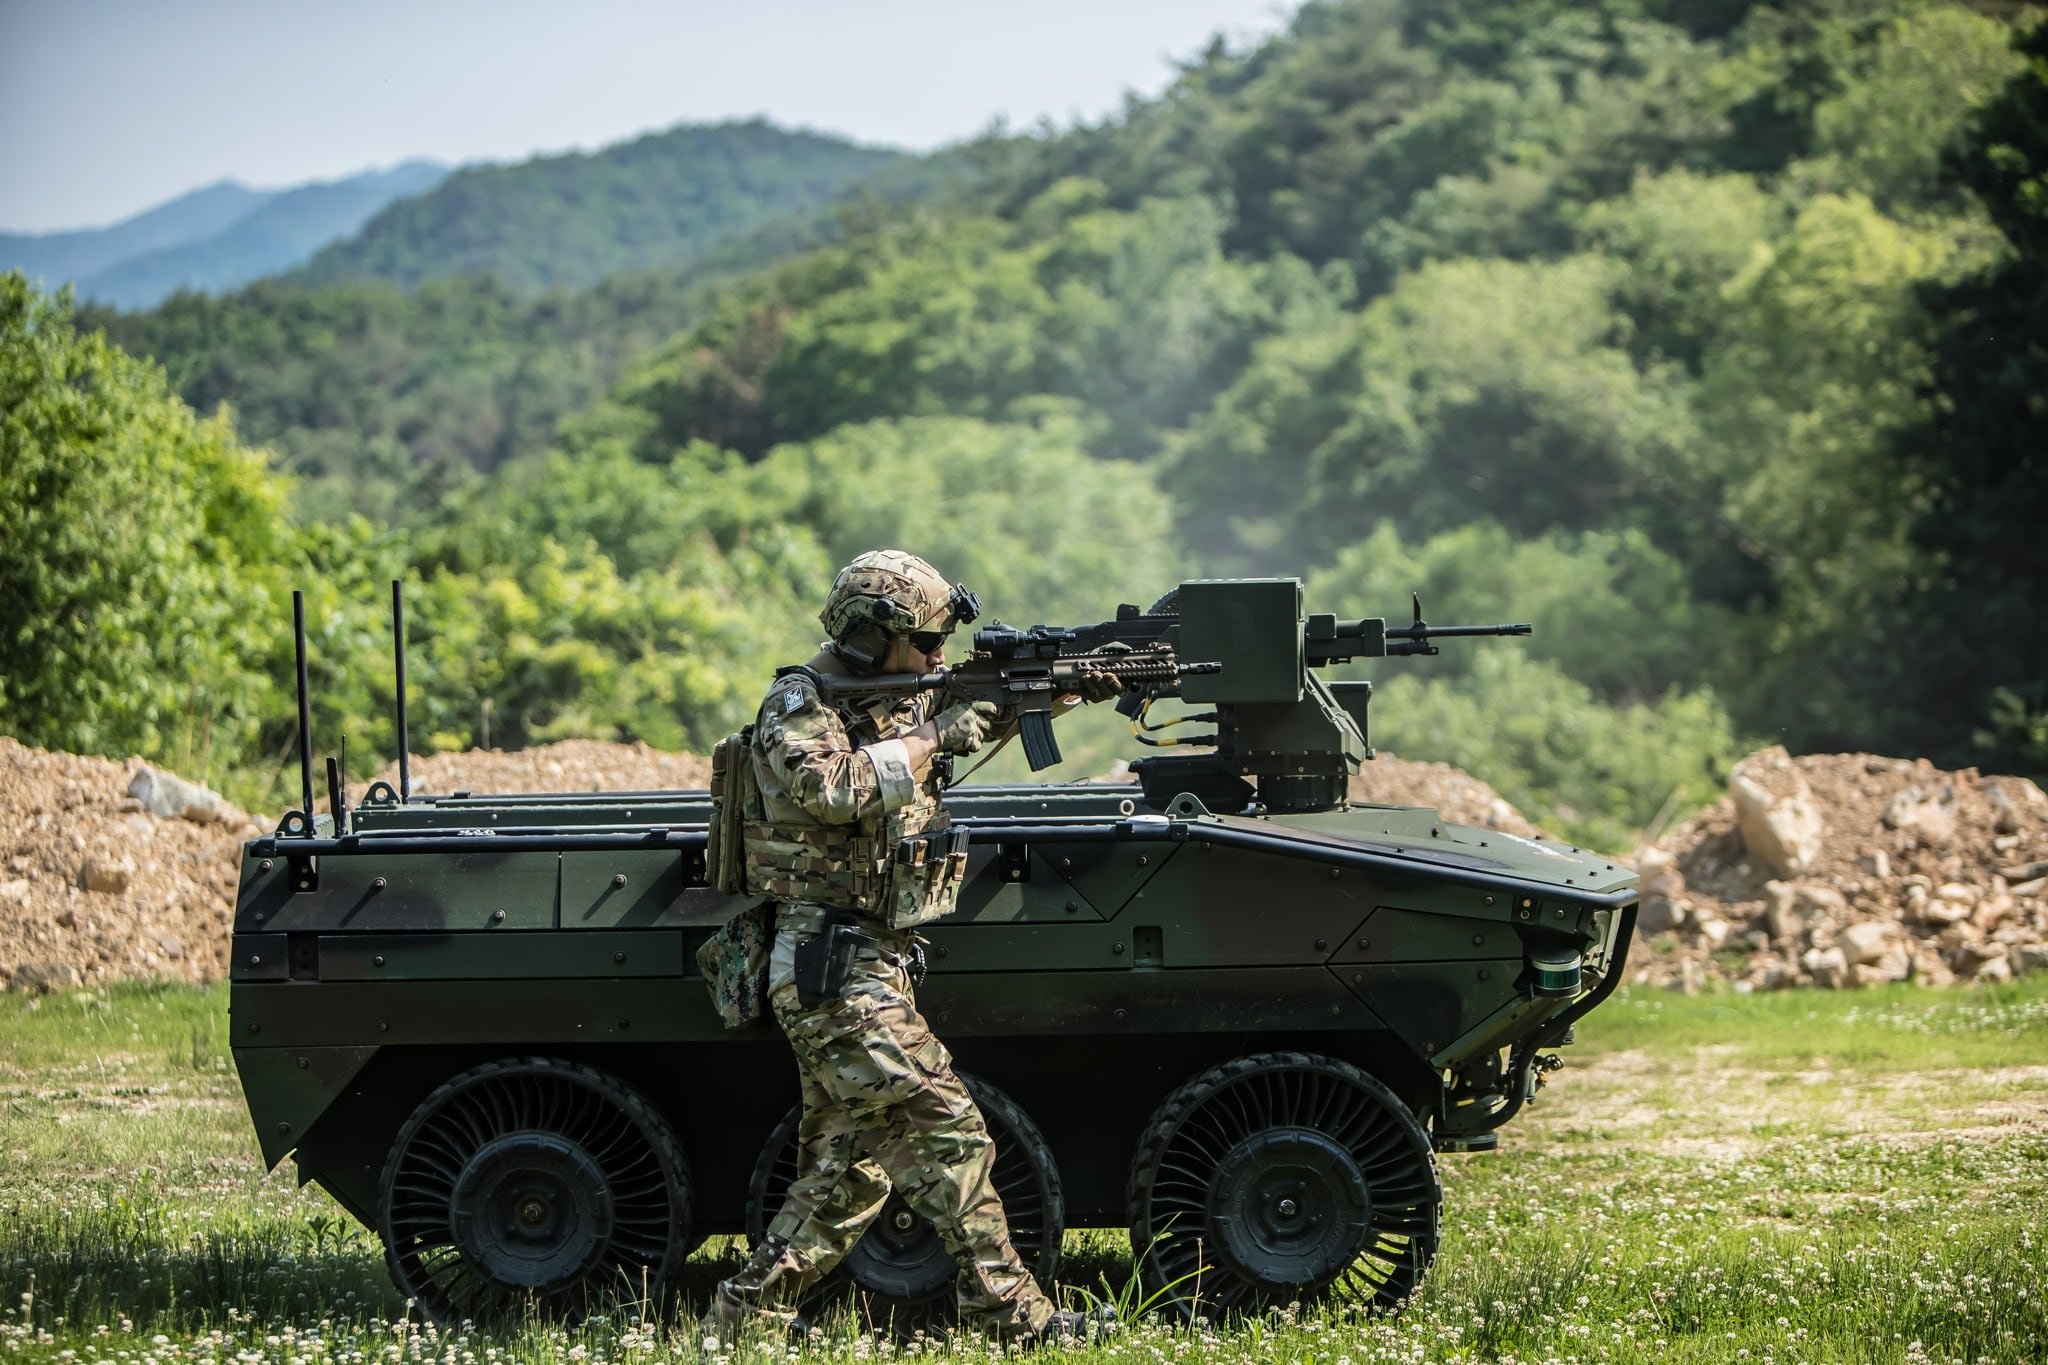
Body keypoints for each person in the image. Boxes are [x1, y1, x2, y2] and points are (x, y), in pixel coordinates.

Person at [704, 550, 1118, 1345]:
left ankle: (736, 1325)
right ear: (870, 637)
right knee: (953, 1130)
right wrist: (936, 734)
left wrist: (1069, 686)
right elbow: (831, 790)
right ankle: (1014, 1316)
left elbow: (978, 712)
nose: (937, 659)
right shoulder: (798, 702)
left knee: (843, 1181)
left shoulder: (895, 699)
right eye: (926, 644)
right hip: (833, 966)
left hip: (869, 963)